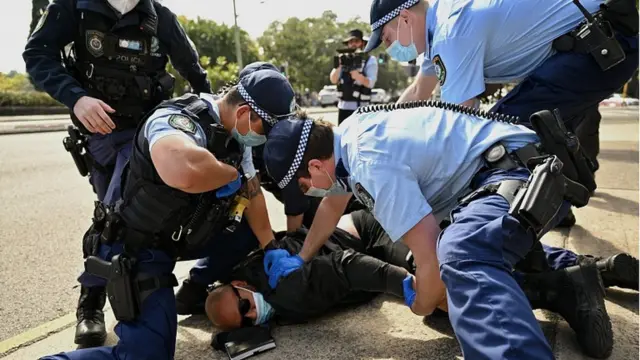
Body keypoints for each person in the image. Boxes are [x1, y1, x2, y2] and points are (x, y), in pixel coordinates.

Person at [260, 103, 616, 359]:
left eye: (304, 185)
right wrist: (303, 256)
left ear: (315, 166)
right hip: (501, 174)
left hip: (518, 174)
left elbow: (431, 259)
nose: (311, 191)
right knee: (452, 262)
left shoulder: (367, 161)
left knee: (459, 256)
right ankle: (572, 279)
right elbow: (332, 205)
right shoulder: (348, 138)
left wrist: (421, 302)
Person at [39, 68, 295, 360]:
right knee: (147, 356)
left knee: (248, 232)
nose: (265, 138)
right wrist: (229, 175)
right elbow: (180, 170)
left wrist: (271, 247)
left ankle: (194, 290)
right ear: (246, 113)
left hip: (182, 233)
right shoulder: (179, 119)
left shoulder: (236, 136)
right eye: (267, 129)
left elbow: (253, 192)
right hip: (141, 246)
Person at [23, 0, 213, 347]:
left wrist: (210, 115)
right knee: (109, 217)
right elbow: (37, 54)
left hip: (147, 135)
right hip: (100, 134)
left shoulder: (160, 17)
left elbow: (194, 71)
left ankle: (106, 300)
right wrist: (77, 98)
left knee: (121, 215)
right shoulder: (73, 7)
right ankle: (93, 304)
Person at [362, 0, 638, 215]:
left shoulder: (451, 32)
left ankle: (514, 232)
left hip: (601, 47)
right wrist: (383, 129)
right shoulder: (441, 22)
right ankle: (556, 202)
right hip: (592, 46)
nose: (389, 48)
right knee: (523, 131)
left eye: (386, 39)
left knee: (498, 142)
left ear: (405, 19)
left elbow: (459, 122)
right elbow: (418, 90)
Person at [206, 210, 638, 342]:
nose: (251, 317)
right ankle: (594, 271)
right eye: (244, 322)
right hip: (359, 235)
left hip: (368, 235)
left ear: (242, 287)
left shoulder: (286, 289)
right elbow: (203, 299)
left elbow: (351, 267)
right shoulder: (250, 285)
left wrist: (413, 287)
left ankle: (559, 288)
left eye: (244, 308)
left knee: (444, 285)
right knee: (453, 261)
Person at [330, 29, 379, 124]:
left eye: (356, 41)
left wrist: (357, 76)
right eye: (350, 42)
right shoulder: (343, 58)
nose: (353, 44)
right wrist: (339, 66)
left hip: (361, 108)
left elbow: (371, 83)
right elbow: (333, 79)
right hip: (343, 108)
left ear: (362, 43)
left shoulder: (370, 60)